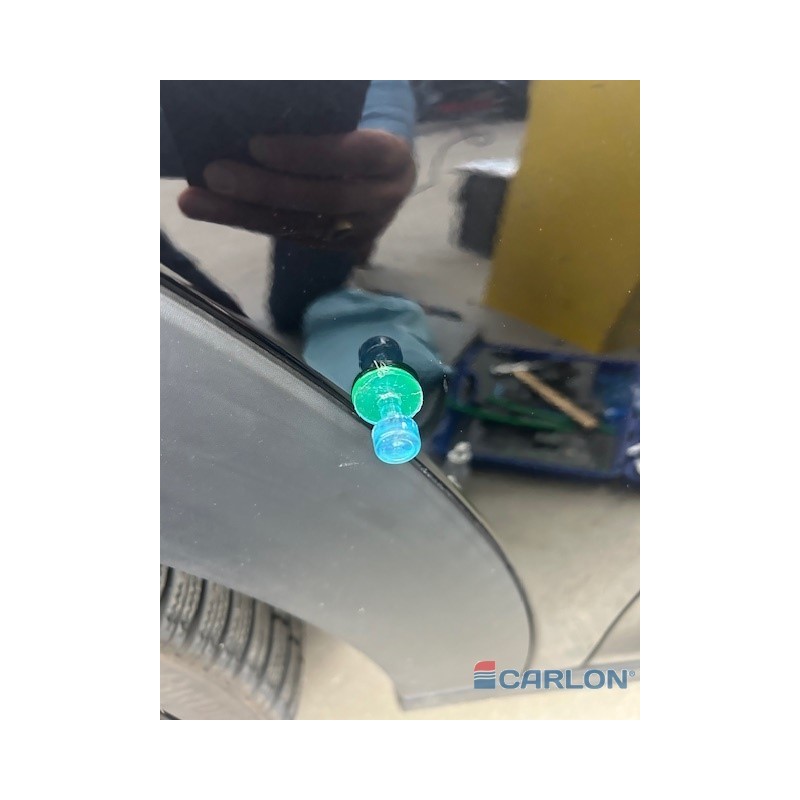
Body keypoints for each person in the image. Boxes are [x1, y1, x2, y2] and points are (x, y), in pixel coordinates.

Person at [161, 81, 417, 332]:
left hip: (312, 141)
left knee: (300, 311)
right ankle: (221, 315)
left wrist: (380, 136)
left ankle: (223, 317)